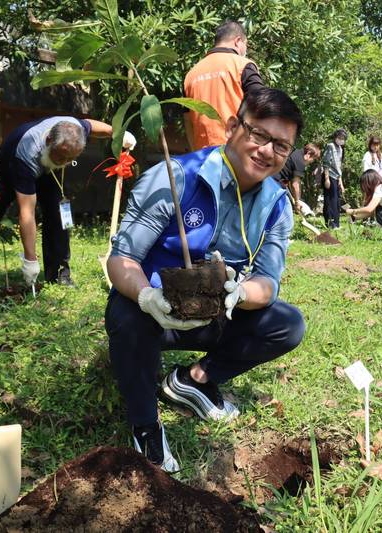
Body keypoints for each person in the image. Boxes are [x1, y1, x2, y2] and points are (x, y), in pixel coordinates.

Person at [105, 88, 306, 471]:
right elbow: (122, 260)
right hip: (155, 316)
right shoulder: (176, 177)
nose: (267, 151)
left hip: (217, 316)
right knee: (126, 314)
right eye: (259, 135)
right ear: (233, 127)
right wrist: (146, 295)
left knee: (287, 324)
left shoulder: (277, 206)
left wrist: (241, 292)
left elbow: (268, 281)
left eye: (281, 146)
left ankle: (195, 379)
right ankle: (146, 425)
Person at [0, 117, 134, 287]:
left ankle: (58, 275)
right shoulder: (26, 154)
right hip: (8, 168)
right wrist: (30, 259)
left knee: (59, 215)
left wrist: (117, 133)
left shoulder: (73, 130)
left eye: (70, 159)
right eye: (62, 157)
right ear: (49, 140)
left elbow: (89, 125)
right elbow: (26, 213)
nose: (66, 163)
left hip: (48, 168)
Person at [183, 20, 264, 151]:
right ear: (238, 41)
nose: (245, 50)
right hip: (234, 152)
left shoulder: (191, 75)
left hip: (202, 155)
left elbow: (188, 122)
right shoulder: (243, 65)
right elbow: (262, 106)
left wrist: (196, 152)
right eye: (246, 45)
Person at [276, 143, 320, 213]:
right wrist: (297, 202)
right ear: (308, 154)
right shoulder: (300, 162)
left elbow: (290, 181)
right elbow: (295, 184)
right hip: (275, 184)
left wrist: (295, 199)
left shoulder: (295, 153)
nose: (311, 162)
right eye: (313, 159)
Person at [321, 128, 347, 228]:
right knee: (330, 200)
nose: (341, 140)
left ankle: (336, 223)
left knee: (336, 201)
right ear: (335, 137)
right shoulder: (330, 146)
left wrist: (341, 182)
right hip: (329, 176)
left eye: (343, 138)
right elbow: (326, 163)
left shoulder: (341, 148)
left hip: (336, 177)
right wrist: (326, 179)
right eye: (339, 137)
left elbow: (339, 166)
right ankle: (330, 223)